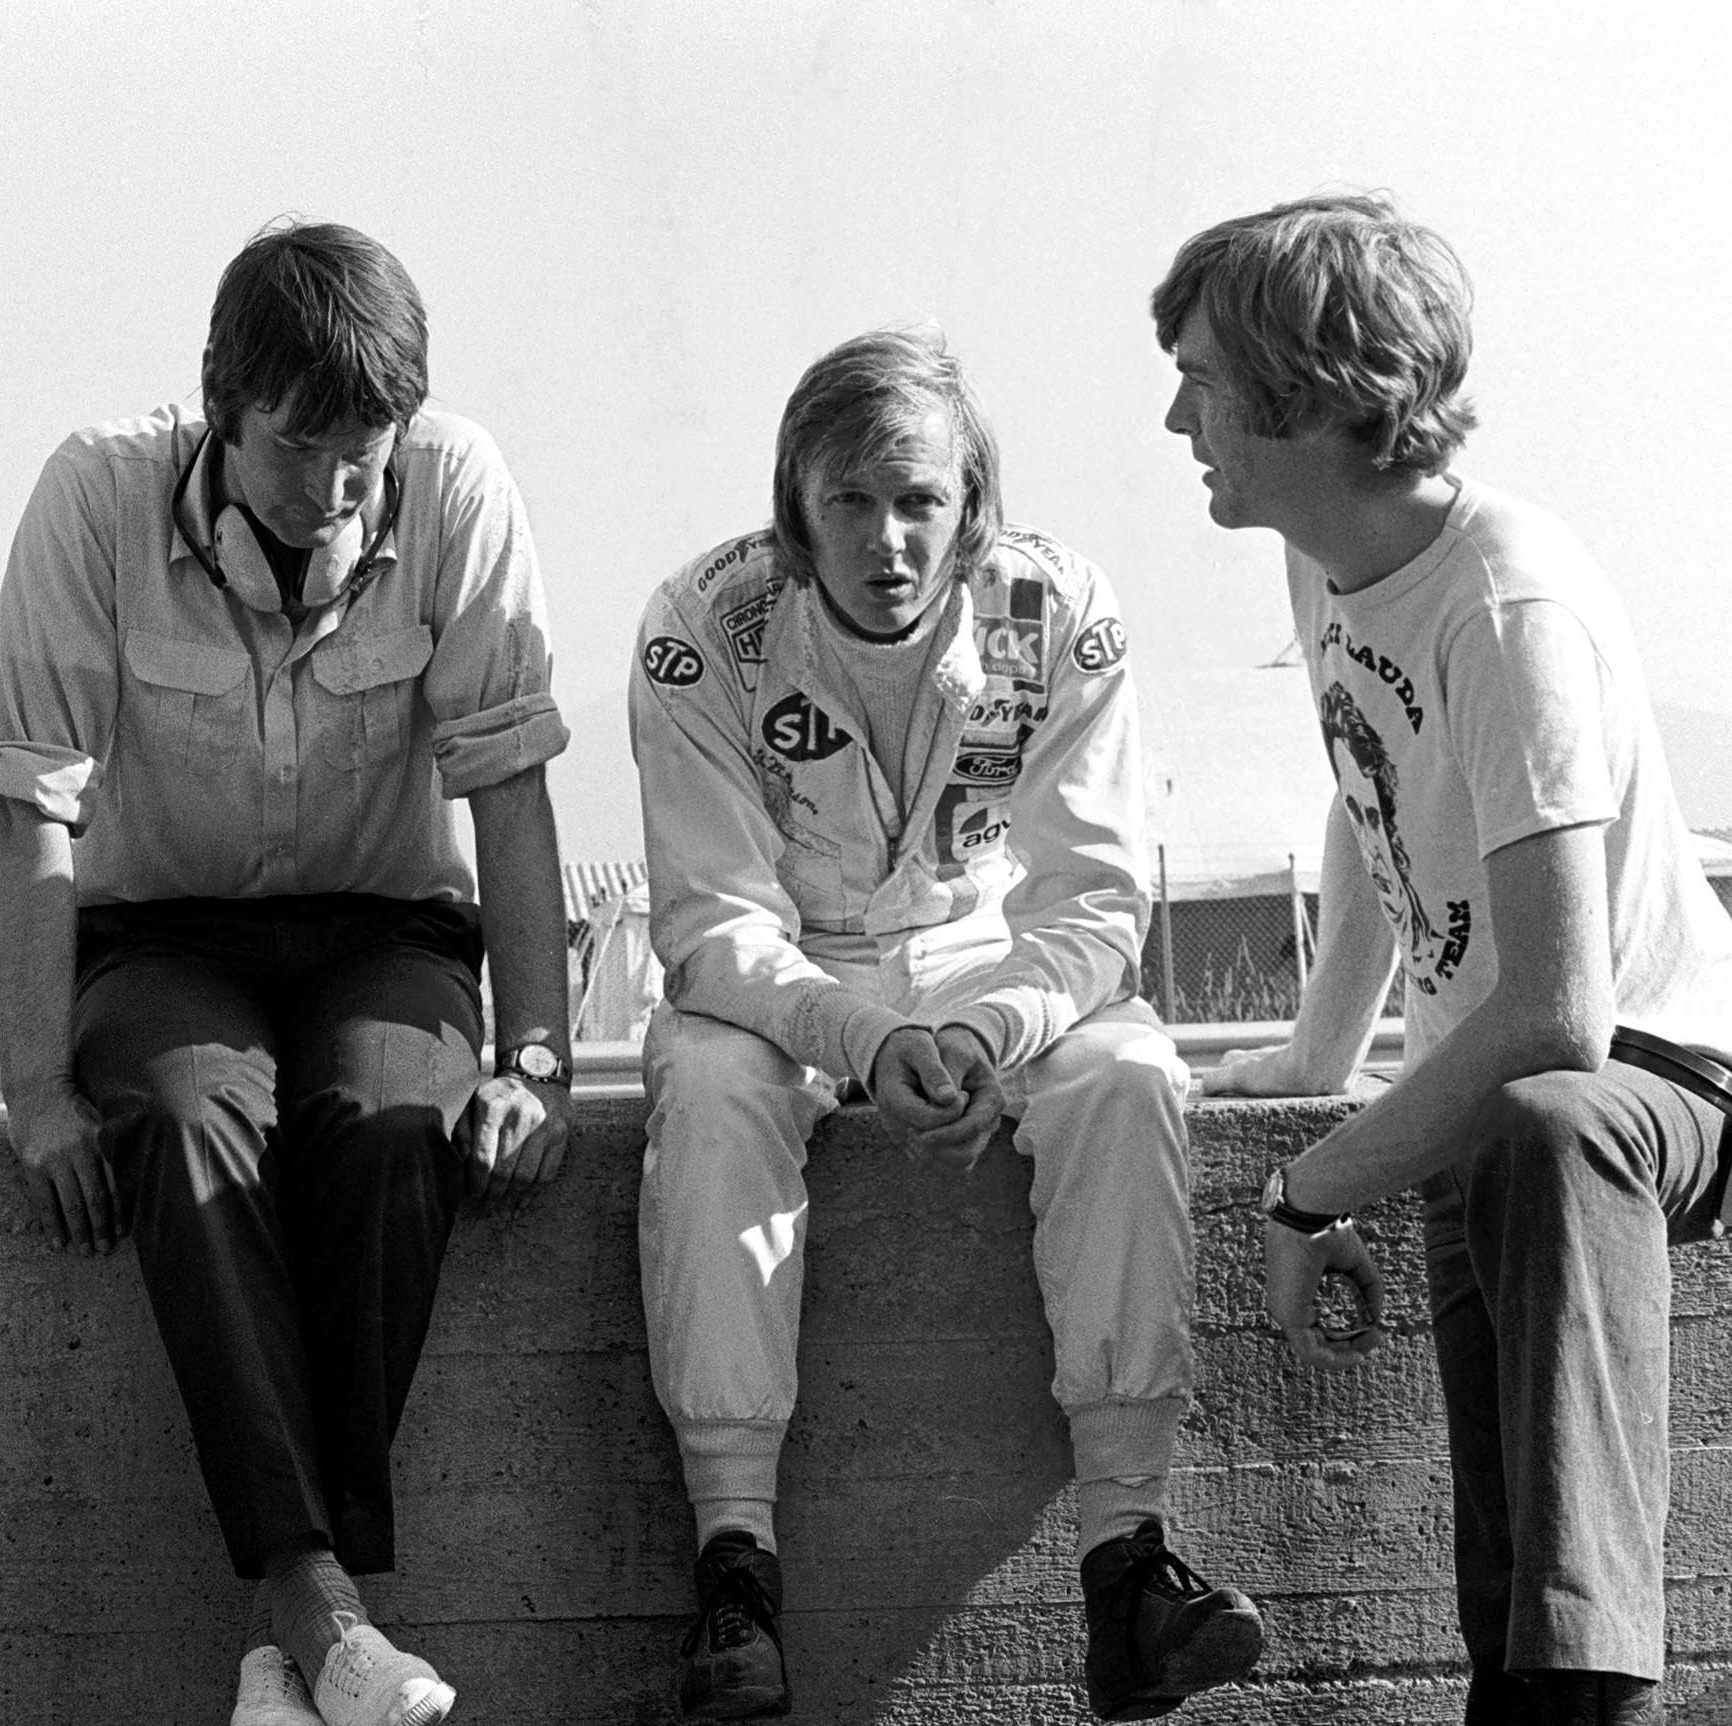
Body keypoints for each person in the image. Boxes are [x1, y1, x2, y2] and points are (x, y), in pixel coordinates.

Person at [0, 220, 574, 1726]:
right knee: (185, 1127)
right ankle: (322, 1610)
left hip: (387, 931)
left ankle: (291, 1630)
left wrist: (541, 1058)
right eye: (301, 448)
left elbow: (508, 782)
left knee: (389, 1131)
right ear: (215, 400)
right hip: (161, 937)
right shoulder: (94, 497)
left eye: (367, 452)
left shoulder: (459, 490)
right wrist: (38, 1087)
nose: (336, 494)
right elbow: (30, 799)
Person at [629, 329, 1264, 1722]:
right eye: (849, 502)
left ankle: (1131, 1563)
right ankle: (734, 1565)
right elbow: (711, 922)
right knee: (707, 1077)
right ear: (794, 511)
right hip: (791, 982)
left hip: (991, 965)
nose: (889, 539)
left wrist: (986, 1030)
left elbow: (1097, 899)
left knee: (1131, 1069)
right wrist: (856, 1034)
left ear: (972, 506)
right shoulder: (702, 628)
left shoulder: (1058, 609)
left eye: (919, 500)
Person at [1163, 193, 1732, 1726]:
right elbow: (1369, 793)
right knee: (1505, 1587)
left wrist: (1313, 1176)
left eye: (1204, 380)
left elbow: (1563, 1010)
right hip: (1490, 1079)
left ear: (1304, 394)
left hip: (1652, 1077)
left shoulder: (1504, 604)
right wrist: (1317, 1054)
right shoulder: (1333, 559)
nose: (1175, 415)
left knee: (1550, 1130)